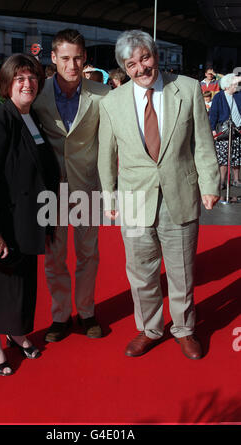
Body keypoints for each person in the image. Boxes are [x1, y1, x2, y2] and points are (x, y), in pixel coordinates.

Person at [98, 30, 220, 360]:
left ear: (156, 55)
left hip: (179, 193)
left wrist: (210, 184)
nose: (140, 68)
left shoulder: (188, 88)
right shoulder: (111, 103)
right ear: (124, 67)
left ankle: (184, 329)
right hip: (134, 199)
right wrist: (108, 196)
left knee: (181, 270)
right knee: (141, 271)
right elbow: (106, 155)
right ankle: (150, 328)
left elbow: (202, 143)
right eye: (132, 63)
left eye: (145, 58)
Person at [0, 53, 60, 376]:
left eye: (31, 78)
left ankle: (16, 331)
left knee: (20, 284)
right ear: (6, 84)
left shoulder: (31, 118)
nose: (27, 83)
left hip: (26, 220)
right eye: (19, 78)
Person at [33, 28, 110, 342]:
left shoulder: (103, 94)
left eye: (78, 58)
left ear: (85, 58)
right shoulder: (36, 93)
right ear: (53, 58)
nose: (72, 64)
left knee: (88, 253)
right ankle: (60, 315)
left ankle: (87, 311)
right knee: (54, 256)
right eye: (65, 58)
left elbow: (110, 143)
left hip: (87, 186)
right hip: (50, 189)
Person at [209, 73, 241, 189]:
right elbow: (213, 115)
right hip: (224, 132)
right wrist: (212, 130)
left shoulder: (238, 95)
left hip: (238, 131)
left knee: (237, 157)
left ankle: (236, 180)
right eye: (234, 84)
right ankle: (222, 181)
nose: (236, 86)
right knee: (223, 159)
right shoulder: (219, 97)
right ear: (227, 86)